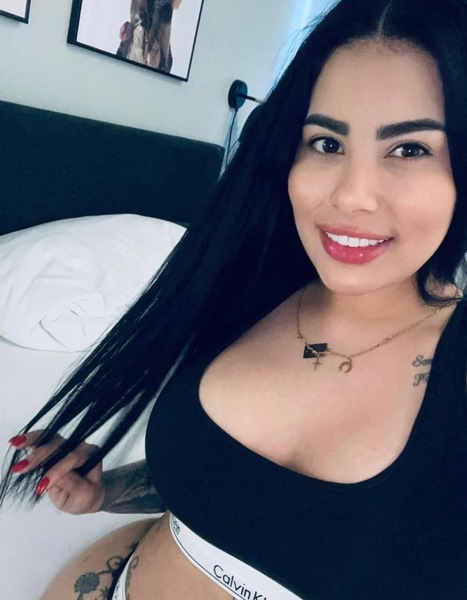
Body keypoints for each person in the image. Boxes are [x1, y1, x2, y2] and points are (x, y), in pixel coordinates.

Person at [2, 0, 467, 597]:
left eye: (409, 149)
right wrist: (105, 492)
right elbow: (229, 484)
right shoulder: (249, 288)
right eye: (326, 143)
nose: (352, 195)